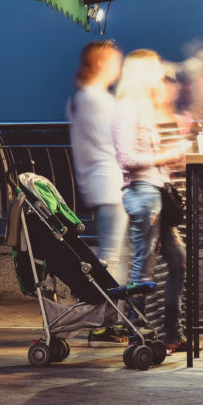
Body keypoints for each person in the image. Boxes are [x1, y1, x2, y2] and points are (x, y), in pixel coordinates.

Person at [112, 49, 189, 351]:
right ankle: (137, 337)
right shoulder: (128, 108)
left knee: (178, 262)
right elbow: (127, 159)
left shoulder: (142, 107)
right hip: (143, 196)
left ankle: (171, 333)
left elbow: (145, 158)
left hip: (156, 194)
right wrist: (167, 155)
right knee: (142, 269)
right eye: (155, 69)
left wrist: (169, 163)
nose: (161, 74)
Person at [66, 40, 130, 283]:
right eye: (116, 61)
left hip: (103, 184)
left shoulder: (81, 97)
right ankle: (111, 313)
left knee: (114, 254)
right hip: (112, 184)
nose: (119, 67)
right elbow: (118, 142)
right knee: (113, 255)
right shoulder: (96, 99)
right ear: (100, 63)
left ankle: (115, 312)